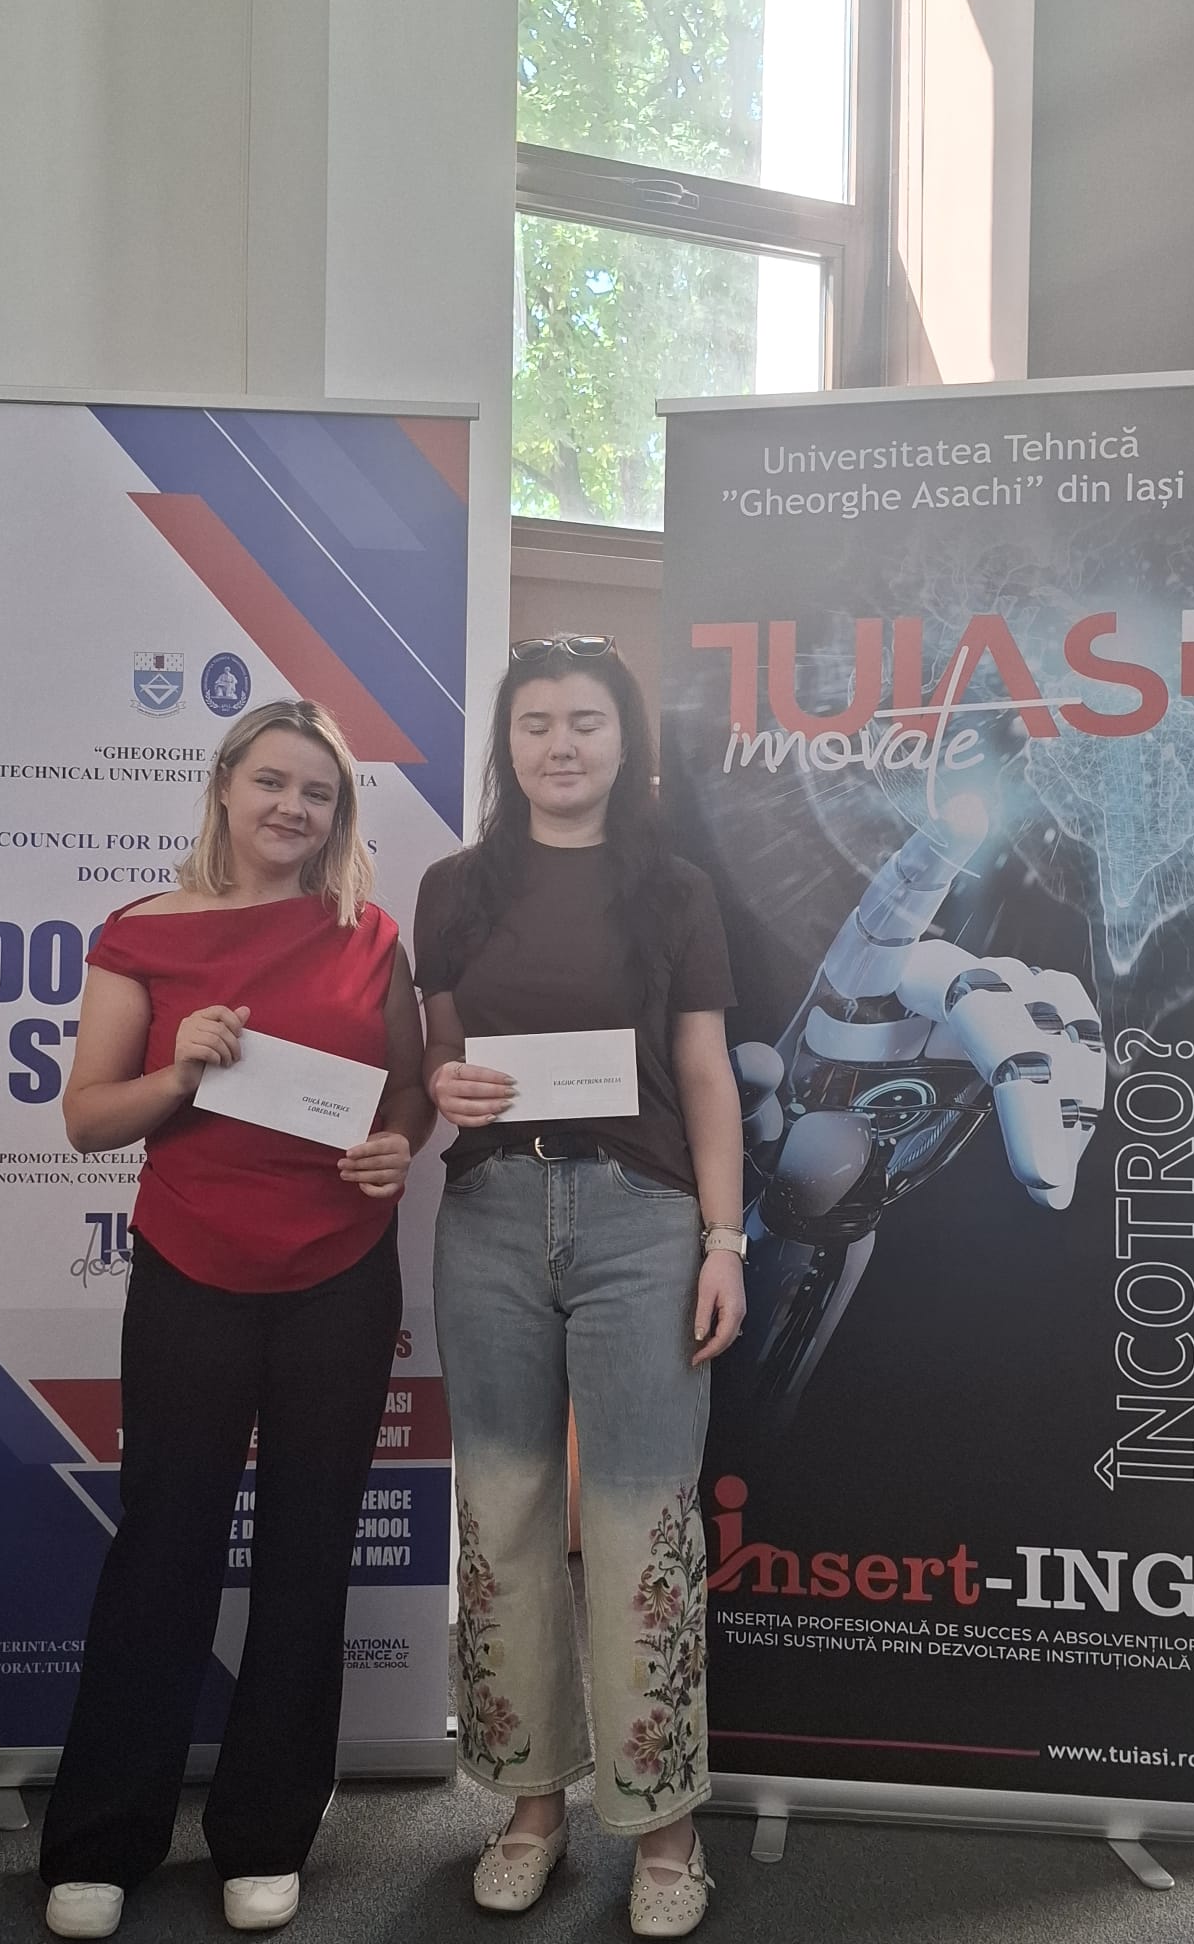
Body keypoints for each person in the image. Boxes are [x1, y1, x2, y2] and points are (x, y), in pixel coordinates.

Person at [38, 699, 429, 1939]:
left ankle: (267, 1835)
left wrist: (398, 1147)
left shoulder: (371, 933)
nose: (292, 808)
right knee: (165, 1545)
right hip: (191, 1268)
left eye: (317, 792)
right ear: (223, 786)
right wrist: (180, 1069)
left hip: (342, 1276)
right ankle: (103, 1840)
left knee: (311, 1550)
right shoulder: (142, 933)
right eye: (272, 782)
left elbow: (408, 1091)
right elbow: (89, 1119)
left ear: (337, 813)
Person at [413, 637, 746, 1939]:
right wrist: (442, 1084)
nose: (560, 744)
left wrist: (725, 1242)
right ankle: (529, 1806)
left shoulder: (675, 891)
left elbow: (705, 1072)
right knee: (502, 1516)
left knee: (641, 1523)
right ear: (507, 743)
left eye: (586, 722)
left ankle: (663, 1824)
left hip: (641, 1223)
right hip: (491, 1217)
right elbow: (441, 1058)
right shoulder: (453, 890)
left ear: (625, 743)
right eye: (536, 722)